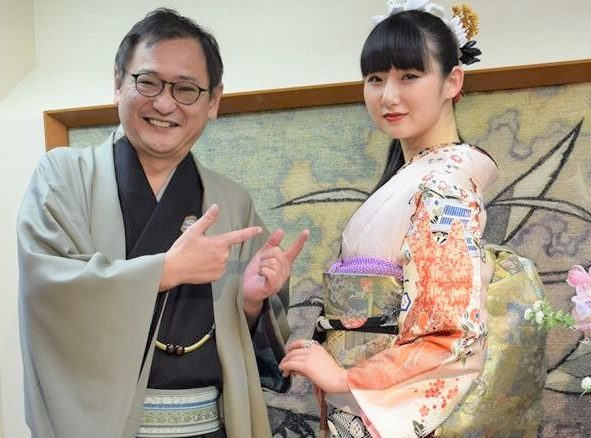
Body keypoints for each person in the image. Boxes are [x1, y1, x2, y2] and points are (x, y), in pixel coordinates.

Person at [17, 8, 309, 438]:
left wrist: (250, 303)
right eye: (148, 82)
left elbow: (257, 350)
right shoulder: (62, 177)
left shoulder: (232, 202)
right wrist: (165, 270)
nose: (165, 103)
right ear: (118, 83)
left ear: (213, 101)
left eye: (186, 89)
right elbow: (49, 292)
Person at [279, 2, 496, 437]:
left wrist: (347, 377)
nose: (388, 96)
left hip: (376, 402)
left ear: (452, 81)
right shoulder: (418, 174)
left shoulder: (444, 185)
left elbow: (453, 334)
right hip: (361, 406)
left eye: (409, 76)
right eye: (375, 79)